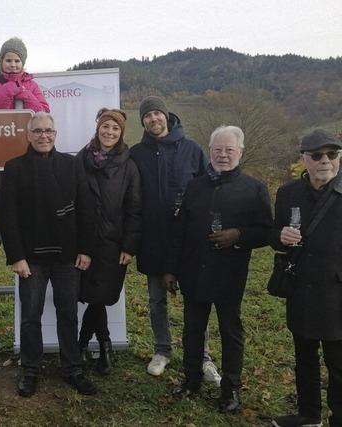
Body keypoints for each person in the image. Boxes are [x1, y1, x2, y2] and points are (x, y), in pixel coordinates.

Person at [163, 126, 272, 412]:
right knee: (192, 329)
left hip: (229, 273)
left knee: (231, 332)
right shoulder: (195, 186)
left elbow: (266, 233)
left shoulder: (254, 189)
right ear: (209, 151)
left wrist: (239, 235)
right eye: (217, 150)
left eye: (229, 150)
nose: (223, 155)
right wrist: (171, 270)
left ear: (240, 152)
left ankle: (231, 389)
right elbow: (179, 232)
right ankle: (192, 379)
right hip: (193, 270)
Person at [0, 112, 97, 397]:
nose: (44, 136)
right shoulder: (14, 168)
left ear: (56, 134)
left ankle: (73, 368)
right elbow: (8, 217)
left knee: (68, 314)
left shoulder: (71, 165)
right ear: (28, 135)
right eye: (38, 131)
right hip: (31, 259)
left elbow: (86, 209)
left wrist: (86, 249)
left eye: (49, 131)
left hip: (67, 257)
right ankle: (30, 370)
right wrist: (16, 256)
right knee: (31, 316)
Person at [129, 96, 220, 383]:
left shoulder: (192, 149)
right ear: (142, 121)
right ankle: (162, 350)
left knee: (195, 300)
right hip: (154, 239)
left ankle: (202, 356)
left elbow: (210, 188)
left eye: (157, 113)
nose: (153, 119)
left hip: (189, 242)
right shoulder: (137, 153)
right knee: (157, 301)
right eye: (147, 116)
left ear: (166, 116)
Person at [269, 130, 342, 427]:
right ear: (304, 160)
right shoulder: (288, 194)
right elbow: (273, 236)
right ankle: (309, 415)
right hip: (301, 289)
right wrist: (280, 236)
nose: (325, 161)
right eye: (316, 155)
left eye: (332, 154)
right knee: (305, 357)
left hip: (337, 292)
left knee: (338, 365)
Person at [75, 108, 141, 376]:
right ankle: (102, 345)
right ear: (98, 128)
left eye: (115, 128)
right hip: (84, 240)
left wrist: (129, 246)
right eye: (106, 127)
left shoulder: (129, 164)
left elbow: (135, 207)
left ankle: (86, 345)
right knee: (90, 295)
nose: (109, 132)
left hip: (113, 244)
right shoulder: (81, 158)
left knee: (99, 297)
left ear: (121, 132)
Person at [0, 37, 50, 248]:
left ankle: (26, 226)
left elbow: (43, 111)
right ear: (1, 61)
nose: (12, 65)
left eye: (17, 61)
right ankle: (0, 223)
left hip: (24, 145)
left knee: (26, 187)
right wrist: (11, 89)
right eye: (8, 60)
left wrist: (25, 93)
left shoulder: (31, 84)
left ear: (23, 63)